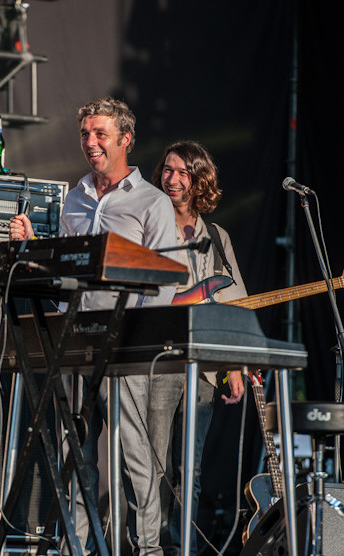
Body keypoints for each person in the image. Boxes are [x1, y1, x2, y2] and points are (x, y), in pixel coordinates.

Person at [9, 96, 178, 555]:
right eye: (85, 134)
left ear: (126, 138)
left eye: (100, 133)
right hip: (77, 343)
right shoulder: (76, 196)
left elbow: (164, 282)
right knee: (76, 455)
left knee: (135, 459)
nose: (90, 142)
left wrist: (135, 338)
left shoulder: (152, 203)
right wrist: (33, 248)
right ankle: (76, 547)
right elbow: (67, 271)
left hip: (125, 349)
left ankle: (147, 550)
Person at [148, 140, 247, 556]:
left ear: (199, 180)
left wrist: (234, 366)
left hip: (204, 367)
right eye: (167, 170)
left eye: (182, 173)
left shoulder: (218, 237)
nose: (172, 179)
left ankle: (181, 546)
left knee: (191, 468)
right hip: (159, 358)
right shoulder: (148, 221)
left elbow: (235, 305)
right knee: (151, 465)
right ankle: (147, 545)